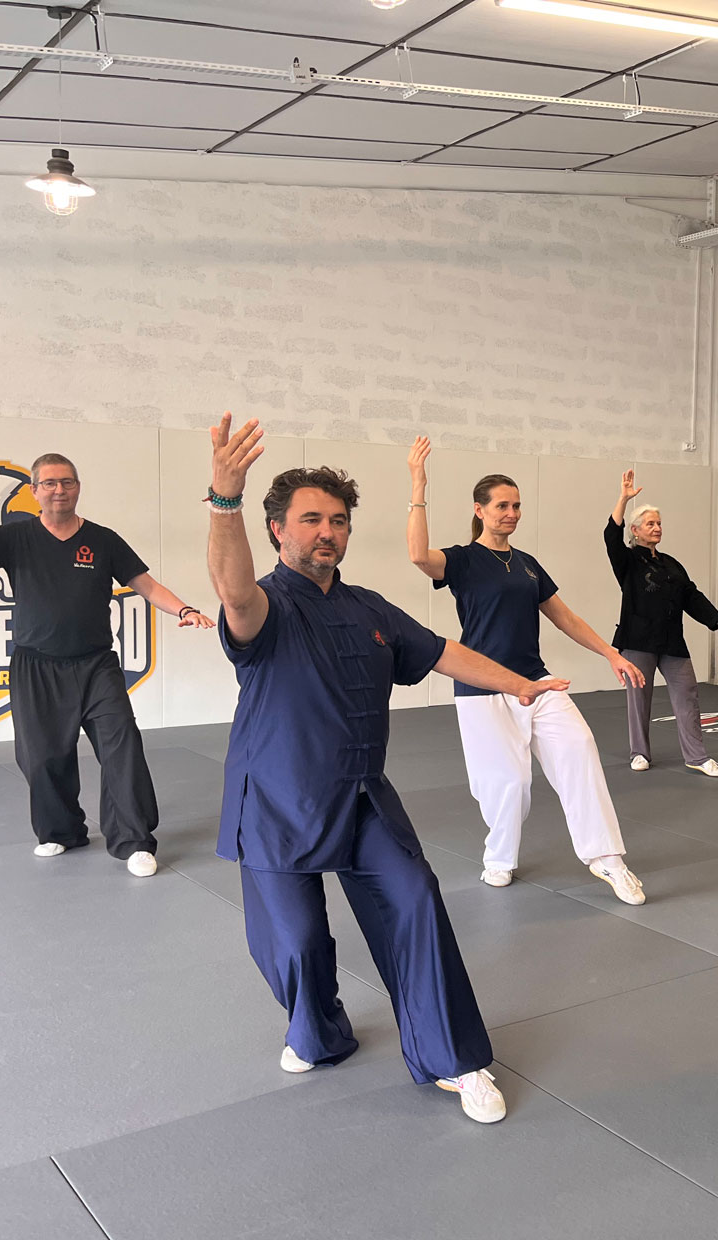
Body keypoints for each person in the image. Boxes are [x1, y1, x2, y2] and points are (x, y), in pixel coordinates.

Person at [206, 413, 550, 1125]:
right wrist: (224, 501)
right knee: (297, 943)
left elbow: (442, 652)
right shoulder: (267, 607)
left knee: (416, 899)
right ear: (279, 529)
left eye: (337, 520)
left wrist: (517, 682)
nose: (326, 531)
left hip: (361, 795)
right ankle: (318, 1030)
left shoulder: (370, 608)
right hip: (275, 797)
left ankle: (453, 1058)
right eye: (310, 519)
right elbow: (234, 593)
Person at [0, 444, 212, 877]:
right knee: (41, 757)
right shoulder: (13, 536)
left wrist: (185, 610)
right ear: (35, 491)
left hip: (96, 666)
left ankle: (134, 841)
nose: (60, 490)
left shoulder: (102, 539)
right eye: (50, 483)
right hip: (35, 667)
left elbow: (145, 585)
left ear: (78, 488)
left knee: (122, 749)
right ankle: (61, 831)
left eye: (68, 482)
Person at [406, 437, 648, 904]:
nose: (511, 513)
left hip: (538, 681)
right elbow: (419, 556)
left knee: (579, 747)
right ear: (480, 510)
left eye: (516, 505)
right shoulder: (462, 560)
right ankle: (499, 858)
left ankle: (607, 859)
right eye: (501, 505)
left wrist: (610, 653)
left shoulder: (527, 564)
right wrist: (418, 485)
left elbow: (566, 617)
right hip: (482, 687)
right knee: (509, 784)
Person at [606, 469, 718, 777]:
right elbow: (610, 536)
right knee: (639, 699)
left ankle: (696, 755)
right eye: (650, 524)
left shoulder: (671, 564)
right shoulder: (627, 562)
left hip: (671, 642)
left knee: (688, 694)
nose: (656, 528)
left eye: (659, 523)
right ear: (636, 530)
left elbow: (691, 596)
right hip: (637, 640)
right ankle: (639, 752)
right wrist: (624, 499)